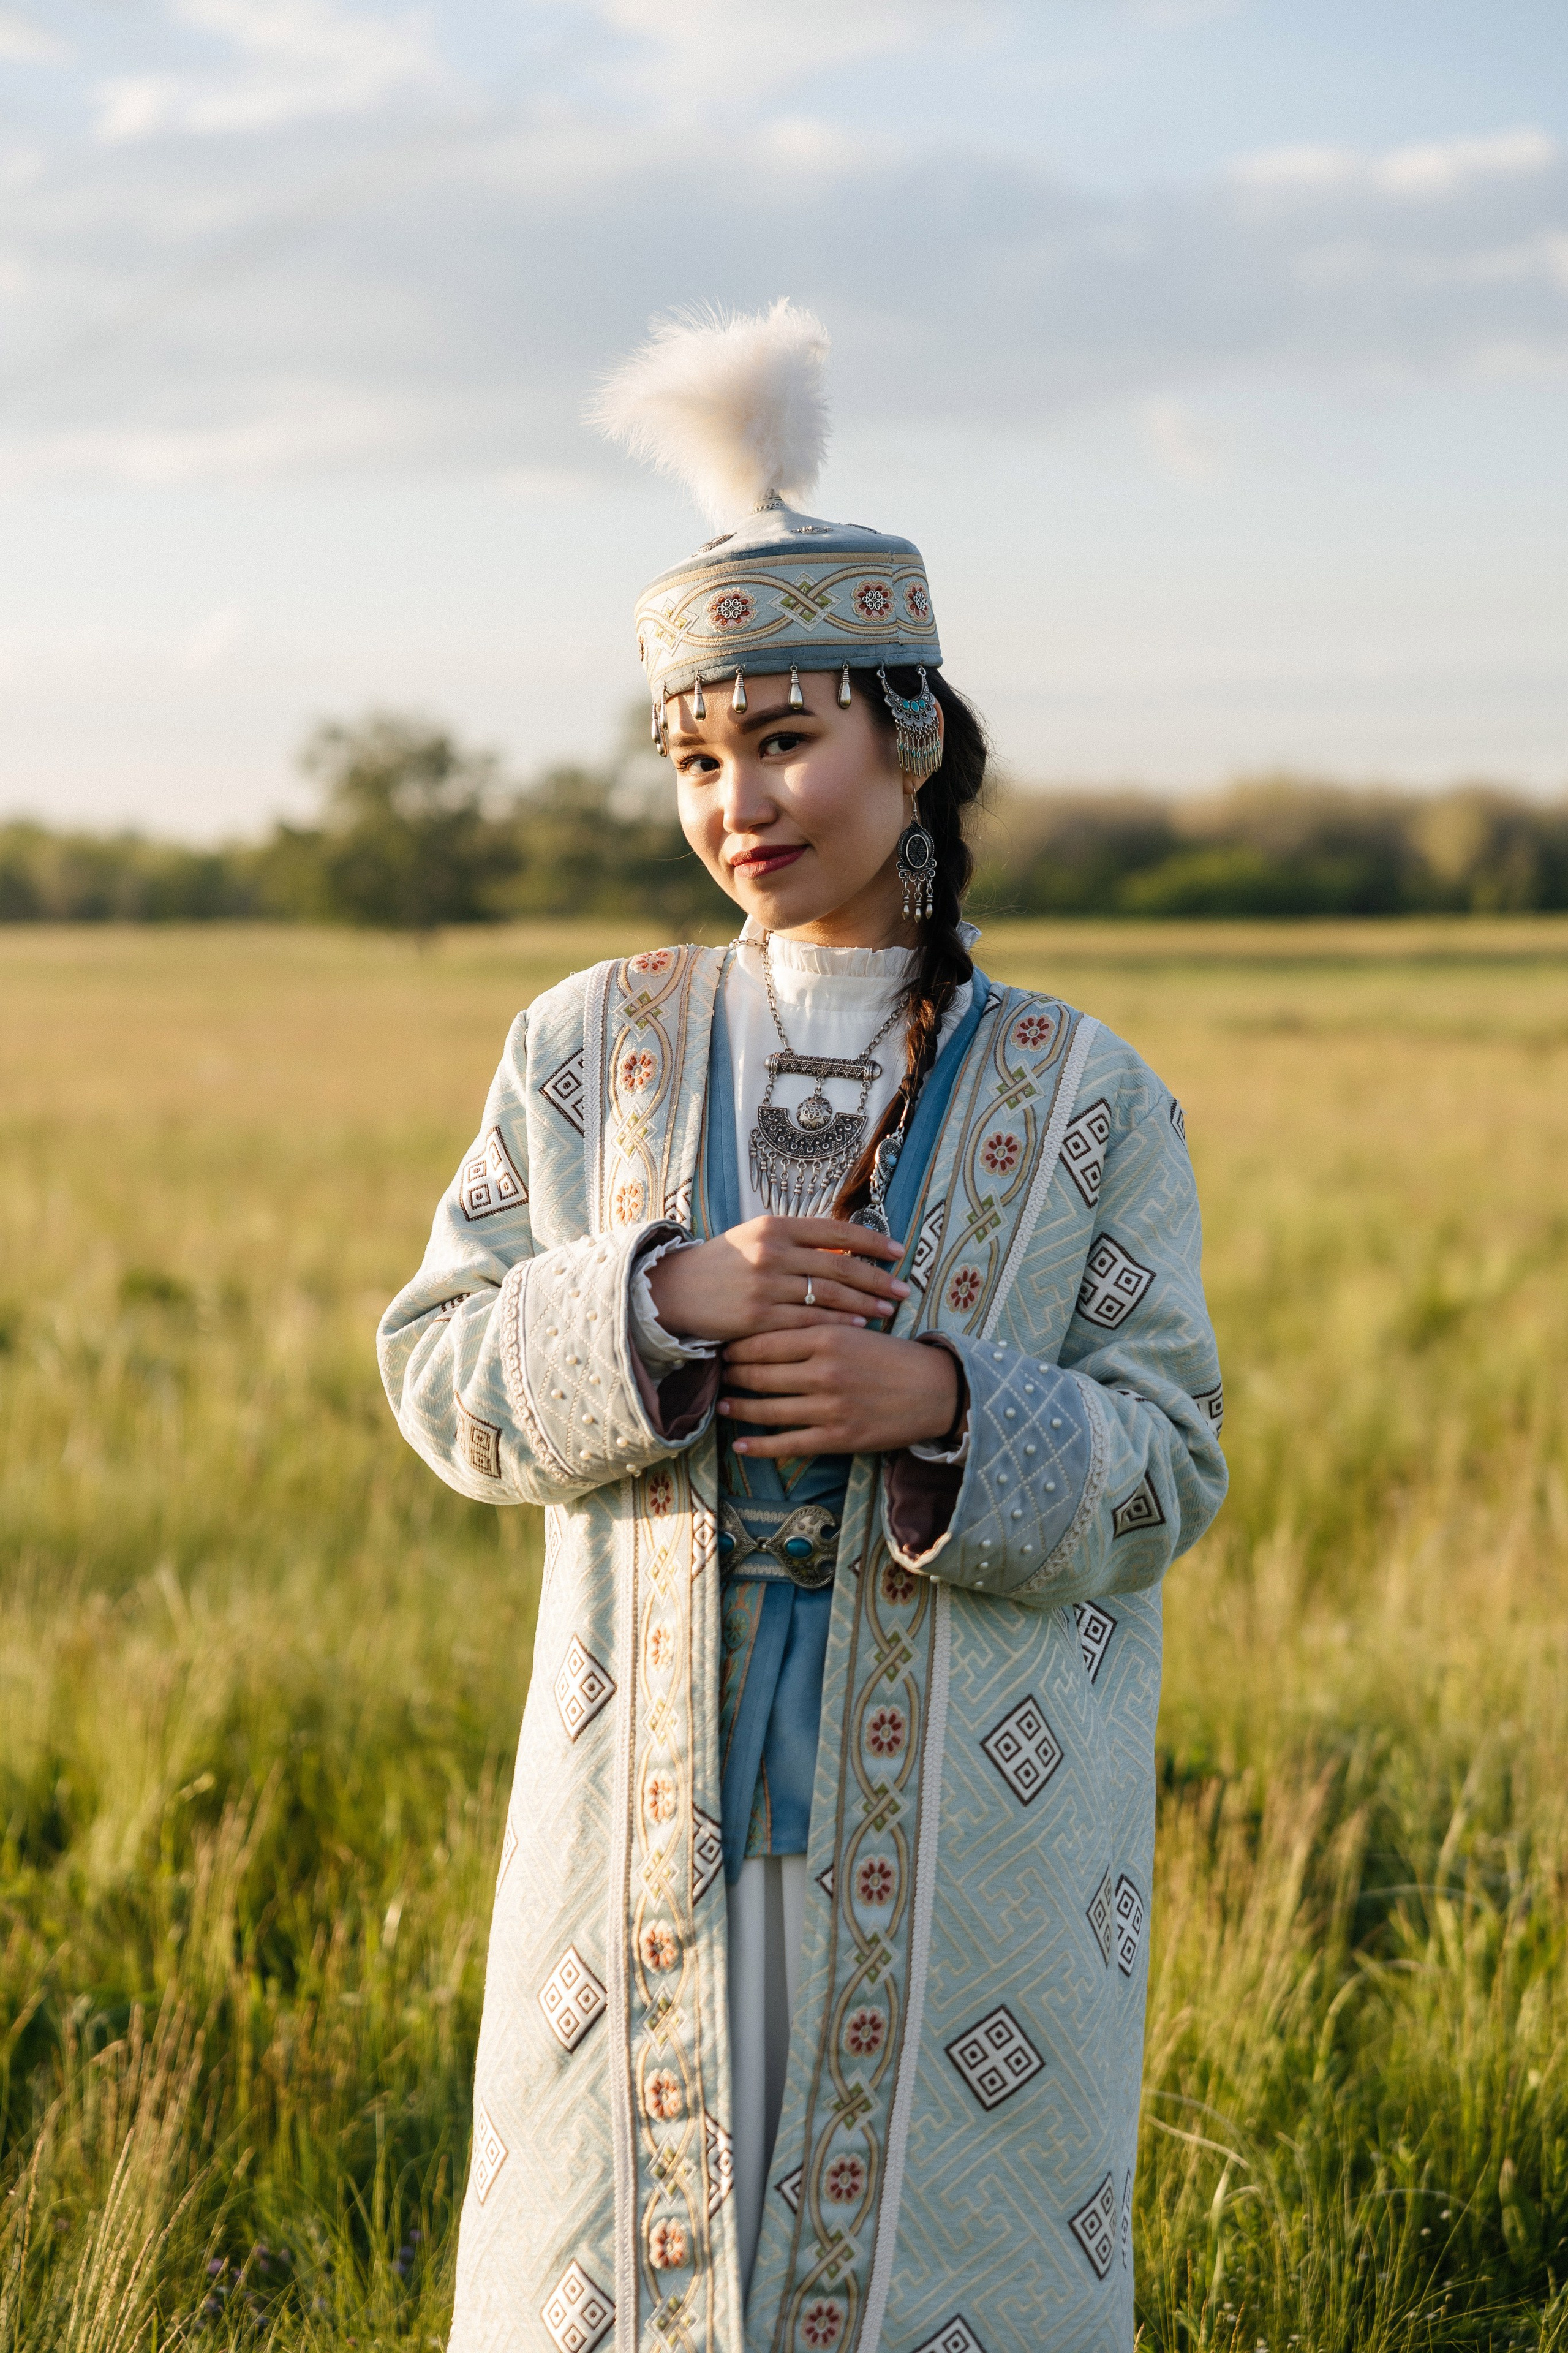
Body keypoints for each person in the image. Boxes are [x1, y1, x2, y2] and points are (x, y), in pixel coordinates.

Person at [379, 300, 1227, 2353]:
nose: (737, 798)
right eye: (695, 754)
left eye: (785, 738)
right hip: (638, 1816)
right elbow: (438, 1365)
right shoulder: (587, 1053)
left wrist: (936, 1400)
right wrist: (665, 1299)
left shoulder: (1085, 1087)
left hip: (966, 1858)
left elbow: (1174, 1456)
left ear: (910, 735)